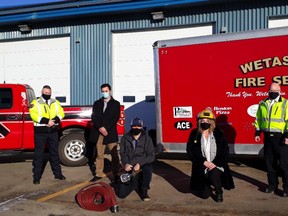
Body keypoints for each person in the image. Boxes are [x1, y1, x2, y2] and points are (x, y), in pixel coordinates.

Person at [186, 108, 234, 202]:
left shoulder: (218, 133)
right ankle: (207, 182)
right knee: (205, 195)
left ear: (211, 122)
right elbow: (190, 151)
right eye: (203, 120)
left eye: (207, 121)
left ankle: (219, 191)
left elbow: (225, 151)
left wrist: (214, 164)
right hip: (201, 165)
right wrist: (203, 162)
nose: (205, 122)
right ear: (199, 121)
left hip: (216, 164)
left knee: (213, 175)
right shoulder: (194, 134)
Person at [254, 82, 288, 197]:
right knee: (270, 164)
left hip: (281, 138)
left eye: (275, 91)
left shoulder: (285, 103)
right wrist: (258, 132)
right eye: (271, 90)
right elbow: (258, 118)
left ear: (280, 90)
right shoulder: (263, 103)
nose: (273, 93)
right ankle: (272, 186)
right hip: (268, 137)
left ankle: (286, 189)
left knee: (283, 165)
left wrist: (287, 136)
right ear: (268, 90)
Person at [29, 85, 66, 184]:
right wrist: (47, 121)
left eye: (49, 93)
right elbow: (34, 115)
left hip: (53, 131)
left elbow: (61, 113)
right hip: (40, 132)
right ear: (41, 91)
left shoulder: (55, 102)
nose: (47, 94)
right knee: (39, 155)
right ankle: (36, 177)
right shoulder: (35, 103)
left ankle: (58, 174)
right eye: (45, 93)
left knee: (54, 153)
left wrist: (54, 120)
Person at [116, 117, 155, 201]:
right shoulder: (124, 138)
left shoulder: (147, 139)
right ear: (131, 126)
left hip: (142, 164)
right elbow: (123, 154)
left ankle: (144, 190)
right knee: (121, 194)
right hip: (130, 165)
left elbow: (151, 156)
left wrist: (140, 164)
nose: (136, 128)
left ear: (141, 127)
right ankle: (136, 182)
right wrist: (126, 163)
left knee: (148, 168)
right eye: (134, 126)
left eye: (138, 126)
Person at [88, 83, 121, 182]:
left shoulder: (116, 104)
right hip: (99, 132)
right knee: (99, 154)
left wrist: (106, 128)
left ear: (109, 91)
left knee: (114, 154)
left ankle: (116, 173)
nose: (104, 93)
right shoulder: (97, 103)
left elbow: (115, 118)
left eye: (106, 91)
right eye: (102, 91)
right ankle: (98, 173)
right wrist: (101, 128)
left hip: (110, 132)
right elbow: (94, 117)